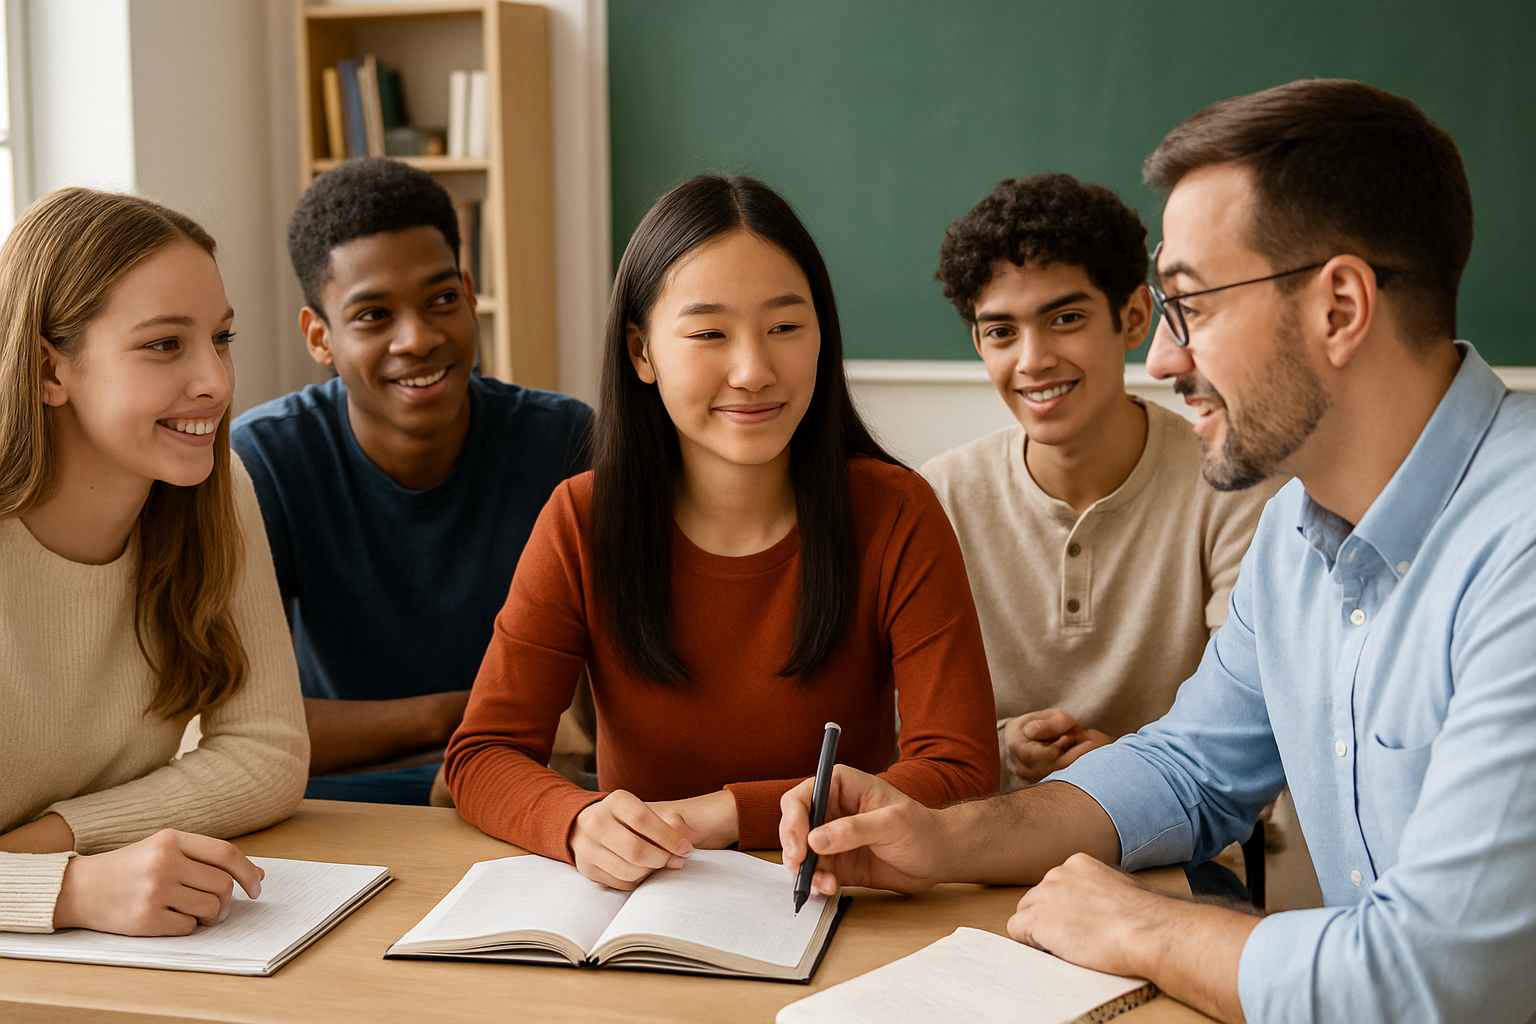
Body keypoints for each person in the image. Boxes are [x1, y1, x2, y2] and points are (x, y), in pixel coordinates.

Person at [781, 79, 1536, 1024]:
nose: (1167, 360)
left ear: (1340, 307)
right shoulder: (1296, 538)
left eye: (1192, 307)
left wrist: (1141, 927)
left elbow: (1438, 980)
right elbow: (1186, 769)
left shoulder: (1520, 551)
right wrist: (943, 837)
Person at [446, 175, 999, 889]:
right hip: (642, 917)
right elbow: (483, 753)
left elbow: (960, 773)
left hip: (841, 902)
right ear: (641, 353)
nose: (753, 370)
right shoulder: (582, 519)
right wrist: (576, 821)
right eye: (710, 333)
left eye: (785, 328)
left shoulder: (898, 512)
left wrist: (726, 816)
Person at [232, 158, 593, 805]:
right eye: (373, 315)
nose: (419, 338)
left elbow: (607, 700)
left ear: (470, 291)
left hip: (527, 792)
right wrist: (462, 717)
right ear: (320, 337)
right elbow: (242, 729)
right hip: (348, 808)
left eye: (442, 300)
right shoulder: (266, 461)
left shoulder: (562, 442)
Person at [0, 188, 308, 935]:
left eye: (222, 338)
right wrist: (67, 892)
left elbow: (267, 753)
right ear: (49, 370)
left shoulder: (212, 490)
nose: (217, 382)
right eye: (165, 344)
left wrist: (52, 845)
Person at [922, 174, 1277, 792]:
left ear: (1134, 316)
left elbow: (1249, 725)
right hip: (978, 851)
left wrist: (1125, 765)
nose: (1032, 360)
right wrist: (1003, 745)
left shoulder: (1231, 486)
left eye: (1064, 318)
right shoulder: (936, 498)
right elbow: (905, 723)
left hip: (1177, 844)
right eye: (1002, 332)